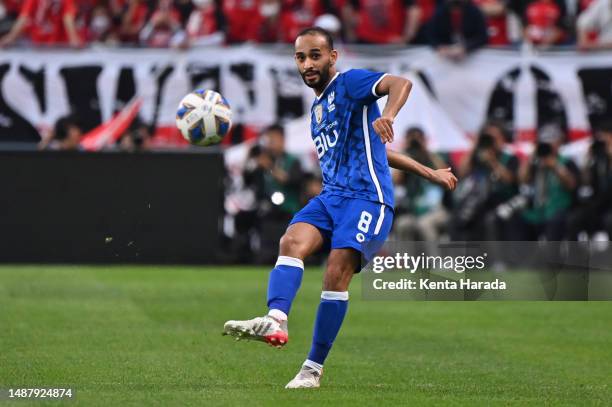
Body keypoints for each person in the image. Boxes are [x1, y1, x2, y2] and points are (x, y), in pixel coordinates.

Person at [222, 27, 457, 389]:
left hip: (367, 199)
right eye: (301, 57)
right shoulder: (317, 110)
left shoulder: (350, 84)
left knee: (335, 272)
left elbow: (401, 84)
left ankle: (312, 370)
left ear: (333, 57)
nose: (308, 63)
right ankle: (276, 318)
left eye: (316, 55)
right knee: (291, 242)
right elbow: (380, 152)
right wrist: (430, 172)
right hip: (332, 198)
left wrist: (390, 116)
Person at [394, 127, 451, 242]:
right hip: (414, 212)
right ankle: (406, 260)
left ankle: (434, 260)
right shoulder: (407, 161)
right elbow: (396, 181)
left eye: (419, 138)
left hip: (438, 210)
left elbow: (446, 173)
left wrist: (425, 150)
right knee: (402, 224)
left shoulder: (435, 156)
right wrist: (404, 156)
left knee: (424, 224)